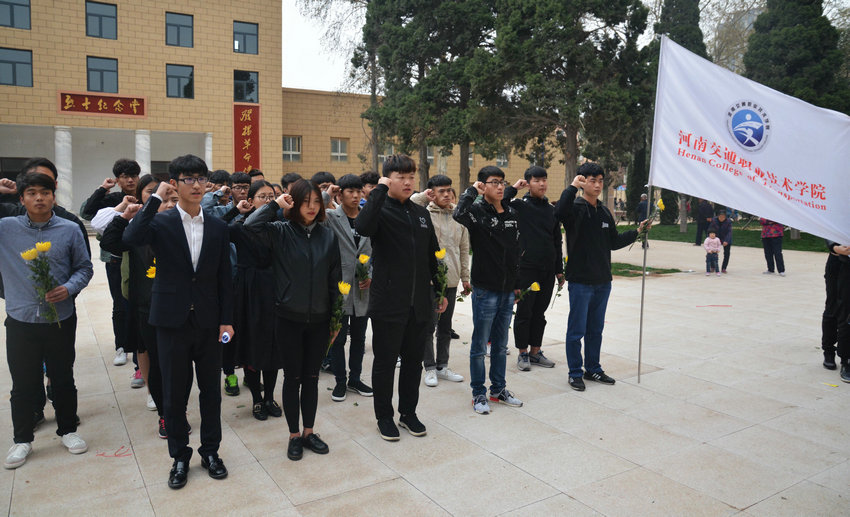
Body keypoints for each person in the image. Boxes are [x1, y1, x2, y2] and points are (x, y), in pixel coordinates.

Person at [123, 154, 233, 489]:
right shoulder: (161, 222)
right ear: (175, 183)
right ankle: (179, 456)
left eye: (201, 178)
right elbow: (131, 238)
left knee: (211, 392)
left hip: (209, 321)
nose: (196, 185)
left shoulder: (217, 226)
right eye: (188, 179)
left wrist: (227, 320)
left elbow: (224, 277)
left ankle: (210, 451)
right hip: (171, 321)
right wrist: (156, 197)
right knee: (173, 394)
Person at [0, 172, 93, 469]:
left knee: (63, 377)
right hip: (21, 319)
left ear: (54, 196)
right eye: (31, 193)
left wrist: (69, 287)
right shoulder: (5, 228)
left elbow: (84, 268)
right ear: (21, 198)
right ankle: (22, 439)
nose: (39, 198)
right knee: (23, 383)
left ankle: (68, 430)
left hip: (60, 319)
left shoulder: (70, 229)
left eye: (45, 192)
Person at [244, 180, 341, 460]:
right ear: (294, 203)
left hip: (320, 319)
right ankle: (294, 435)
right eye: (305, 201)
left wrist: (336, 320)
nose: (312, 207)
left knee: (311, 378)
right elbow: (249, 226)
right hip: (288, 317)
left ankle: (309, 432)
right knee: (292, 378)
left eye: (316, 202)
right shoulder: (280, 231)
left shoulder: (328, 236)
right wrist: (274, 205)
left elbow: (335, 279)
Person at [355, 154, 446, 440]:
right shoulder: (379, 210)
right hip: (388, 302)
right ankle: (384, 417)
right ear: (388, 179)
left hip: (419, 303)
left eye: (411, 177)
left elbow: (432, 254)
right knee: (384, 363)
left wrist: (439, 291)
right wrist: (379, 190)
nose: (407, 182)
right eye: (400, 177)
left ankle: (408, 413)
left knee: (412, 362)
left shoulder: (420, 213)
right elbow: (362, 227)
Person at [101, 175, 187, 438]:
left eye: (174, 199)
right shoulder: (138, 233)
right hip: (147, 309)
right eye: (161, 198)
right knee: (158, 365)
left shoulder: (185, 230)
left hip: (182, 309)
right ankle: (165, 415)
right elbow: (109, 242)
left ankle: (179, 411)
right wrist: (124, 217)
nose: (169, 204)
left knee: (180, 366)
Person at [555, 163, 647, 392]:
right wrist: (572, 187)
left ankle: (593, 368)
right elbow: (559, 214)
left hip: (603, 281)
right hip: (580, 281)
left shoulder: (604, 211)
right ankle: (575, 373)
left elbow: (613, 242)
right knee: (576, 330)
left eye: (600, 181)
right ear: (582, 181)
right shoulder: (575, 208)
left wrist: (637, 232)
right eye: (592, 180)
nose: (597, 185)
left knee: (595, 330)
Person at [454, 166, 523, 414]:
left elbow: (516, 251)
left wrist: (517, 284)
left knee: (501, 344)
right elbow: (458, 213)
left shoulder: (512, 213)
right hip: (485, 289)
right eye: (494, 182)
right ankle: (478, 393)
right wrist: (472, 190)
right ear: (483, 186)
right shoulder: (476, 212)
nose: (500, 186)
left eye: (502, 182)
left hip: (507, 289)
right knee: (480, 345)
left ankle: (498, 390)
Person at [229, 181, 283, 421]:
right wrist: (235, 210)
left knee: (273, 347)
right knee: (252, 346)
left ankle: (270, 397)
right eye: (263, 197)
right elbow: (216, 228)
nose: (269, 201)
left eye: (272, 196)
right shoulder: (240, 226)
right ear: (250, 201)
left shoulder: (280, 226)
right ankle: (257, 399)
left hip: (274, 289)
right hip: (249, 291)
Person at [81, 159, 140, 371]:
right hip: (116, 257)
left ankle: (139, 345)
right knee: (120, 303)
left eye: (133, 175)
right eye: (125, 176)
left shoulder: (145, 194)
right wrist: (103, 189)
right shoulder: (112, 198)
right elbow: (87, 212)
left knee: (141, 302)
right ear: (118, 179)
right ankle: (121, 346)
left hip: (141, 257)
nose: (130, 180)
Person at [411, 174, 469, 387]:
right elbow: (408, 203)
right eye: (441, 191)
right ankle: (429, 367)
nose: (446, 195)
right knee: (428, 326)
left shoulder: (459, 216)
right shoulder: (422, 214)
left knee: (445, 327)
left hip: (451, 280)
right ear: (431, 193)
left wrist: (465, 277)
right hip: (428, 280)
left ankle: (443, 366)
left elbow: (464, 249)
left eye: (449, 190)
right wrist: (423, 197)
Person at [504, 166, 564, 371]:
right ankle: (522, 353)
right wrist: (514, 188)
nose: (542, 184)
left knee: (540, 312)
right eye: (537, 180)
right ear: (528, 183)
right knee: (525, 311)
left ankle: (535, 352)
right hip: (526, 269)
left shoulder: (551, 210)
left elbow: (557, 241)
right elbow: (500, 203)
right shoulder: (519, 206)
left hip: (547, 269)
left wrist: (559, 269)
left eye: (544, 180)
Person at [326, 174, 374, 401]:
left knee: (359, 337)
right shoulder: (331, 217)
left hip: (363, 288)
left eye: (358, 191)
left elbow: (376, 252)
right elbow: (314, 211)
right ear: (340, 194)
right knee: (337, 338)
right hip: (340, 286)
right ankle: (340, 381)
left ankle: (355, 379)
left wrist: (370, 275)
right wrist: (328, 194)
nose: (355, 196)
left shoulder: (368, 219)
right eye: (350, 192)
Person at [821, 241, 849, 370]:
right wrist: (834, 247)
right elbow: (830, 231)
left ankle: (845, 356)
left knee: (847, 311)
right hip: (837, 261)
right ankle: (828, 351)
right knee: (832, 308)